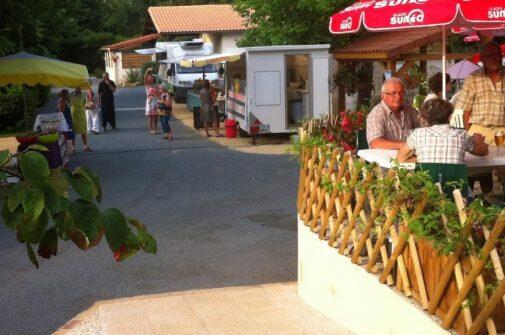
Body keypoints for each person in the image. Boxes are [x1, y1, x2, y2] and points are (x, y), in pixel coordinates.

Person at [455, 41, 505, 193]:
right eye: (490, 55)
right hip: (479, 130)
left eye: (498, 54)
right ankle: (474, 206)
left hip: (503, 131)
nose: (495, 58)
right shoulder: (473, 78)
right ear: (482, 58)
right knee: (476, 173)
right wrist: (467, 133)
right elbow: (463, 110)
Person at [397, 98, 488, 164]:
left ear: (425, 118)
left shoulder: (417, 134)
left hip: (427, 189)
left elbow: (400, 158)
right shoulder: (462, 135)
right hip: (456, 188)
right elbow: (484, 152)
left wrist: (422, 159)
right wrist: (478, 141)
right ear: (449, 117)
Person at [366, 77, 419, 149]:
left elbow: (426, 124)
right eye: (393, 93)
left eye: (401, 93)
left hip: (407, 157)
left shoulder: (408, 110)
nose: (398, 97)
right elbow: (375, 143)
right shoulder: (377, 114)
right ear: (383, 95)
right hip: (385, 159)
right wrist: (404, 145)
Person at [71, 87, 92, 152]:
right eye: (77, 88)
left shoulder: (83, 94)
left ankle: (85, 146)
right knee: (73, 132)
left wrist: (90, 106)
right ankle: (73, 148)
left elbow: (87, 103)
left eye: (79, 88)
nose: (78, 89)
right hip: (74, 114)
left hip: (82, 114)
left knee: (83, 131)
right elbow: (68, 103)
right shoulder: (71, 94)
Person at [57, 89, 75, 153]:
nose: (68, 95)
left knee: (71, 134)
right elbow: (60, 112)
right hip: (65, 120)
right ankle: (68, 150)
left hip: (68, 119)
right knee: (67, 134)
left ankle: (72, 148)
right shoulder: (61, 101)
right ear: (64, 94)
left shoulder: (65, 100)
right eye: (67, 94)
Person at [144, 70, 159, 134]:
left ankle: (155, 129)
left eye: (151, 78)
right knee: (151, 116)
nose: (150, 79)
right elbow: (144, 77)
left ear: (153, 79)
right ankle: (151, 129)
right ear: (147, 79)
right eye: (149, 78)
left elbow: (158, 93)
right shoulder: (147, 86)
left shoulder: (156, 85)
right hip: (150, 103)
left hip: (155, 102)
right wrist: (147, 71)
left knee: (156, 116)